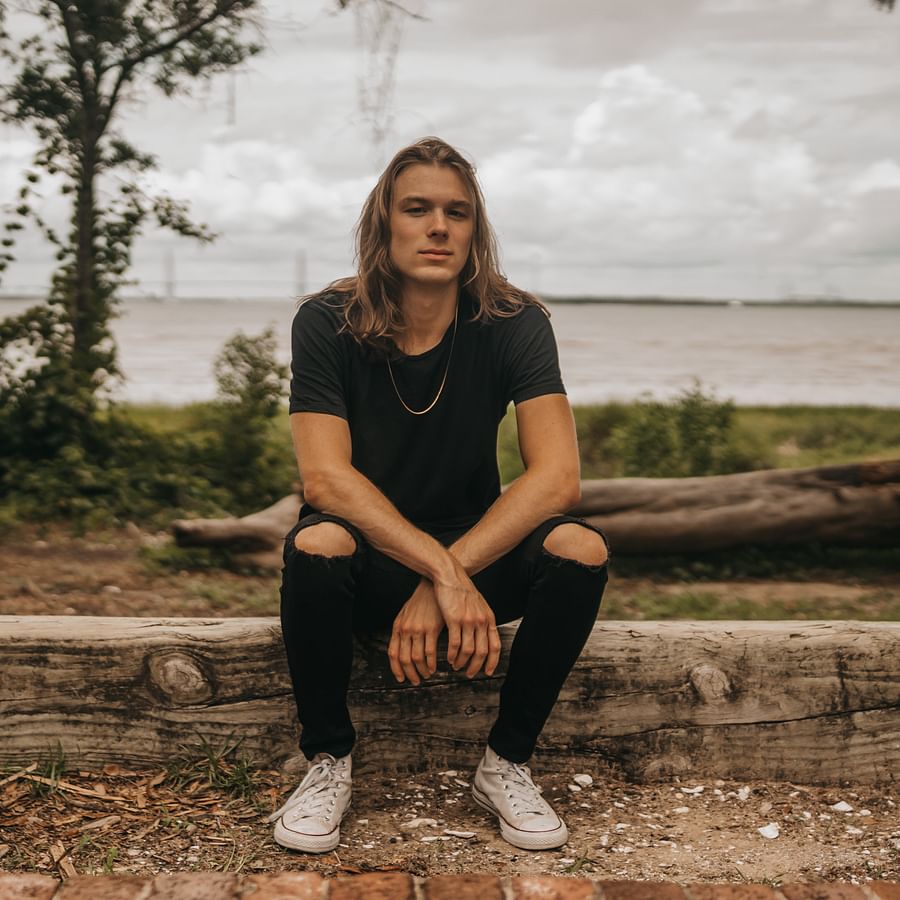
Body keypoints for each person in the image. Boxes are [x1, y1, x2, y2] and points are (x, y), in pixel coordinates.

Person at [269, 136, 609, 855]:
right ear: (383, 224)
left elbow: (557, 479)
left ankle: (506, 762)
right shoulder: (326, 321)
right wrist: (442, 573)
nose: (437, 227)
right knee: (318, 540)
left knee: (579, 546)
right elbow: (325, 479)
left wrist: (447, 575)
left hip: (476, 556)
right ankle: (328, 759)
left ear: (474, 229)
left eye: (457, 212)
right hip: (365, 556)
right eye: (416, 208)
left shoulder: (515, 322)